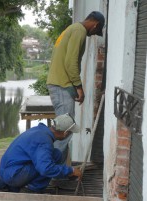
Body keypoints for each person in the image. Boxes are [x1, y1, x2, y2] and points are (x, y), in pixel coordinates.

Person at [47, 11, 105, 164]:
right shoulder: (79, 31)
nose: (93, 35)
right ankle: (52, 171)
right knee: (65, 130)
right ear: (95, 24)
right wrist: (79, 87)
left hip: (59, 83)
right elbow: (70, 63)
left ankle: (54, 168)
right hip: (61, 84)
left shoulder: (71, 29)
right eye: (95, 32)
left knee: (63, 128)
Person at [0, 113, 82, 194]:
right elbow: (46, 169)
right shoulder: (44, 142)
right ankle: (30, 190)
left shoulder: (40, 130)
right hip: (13, 176)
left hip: (7, 171)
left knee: (56, 154)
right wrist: (71, 171)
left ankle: (27, 185)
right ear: (65, 133)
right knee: (49, 163)